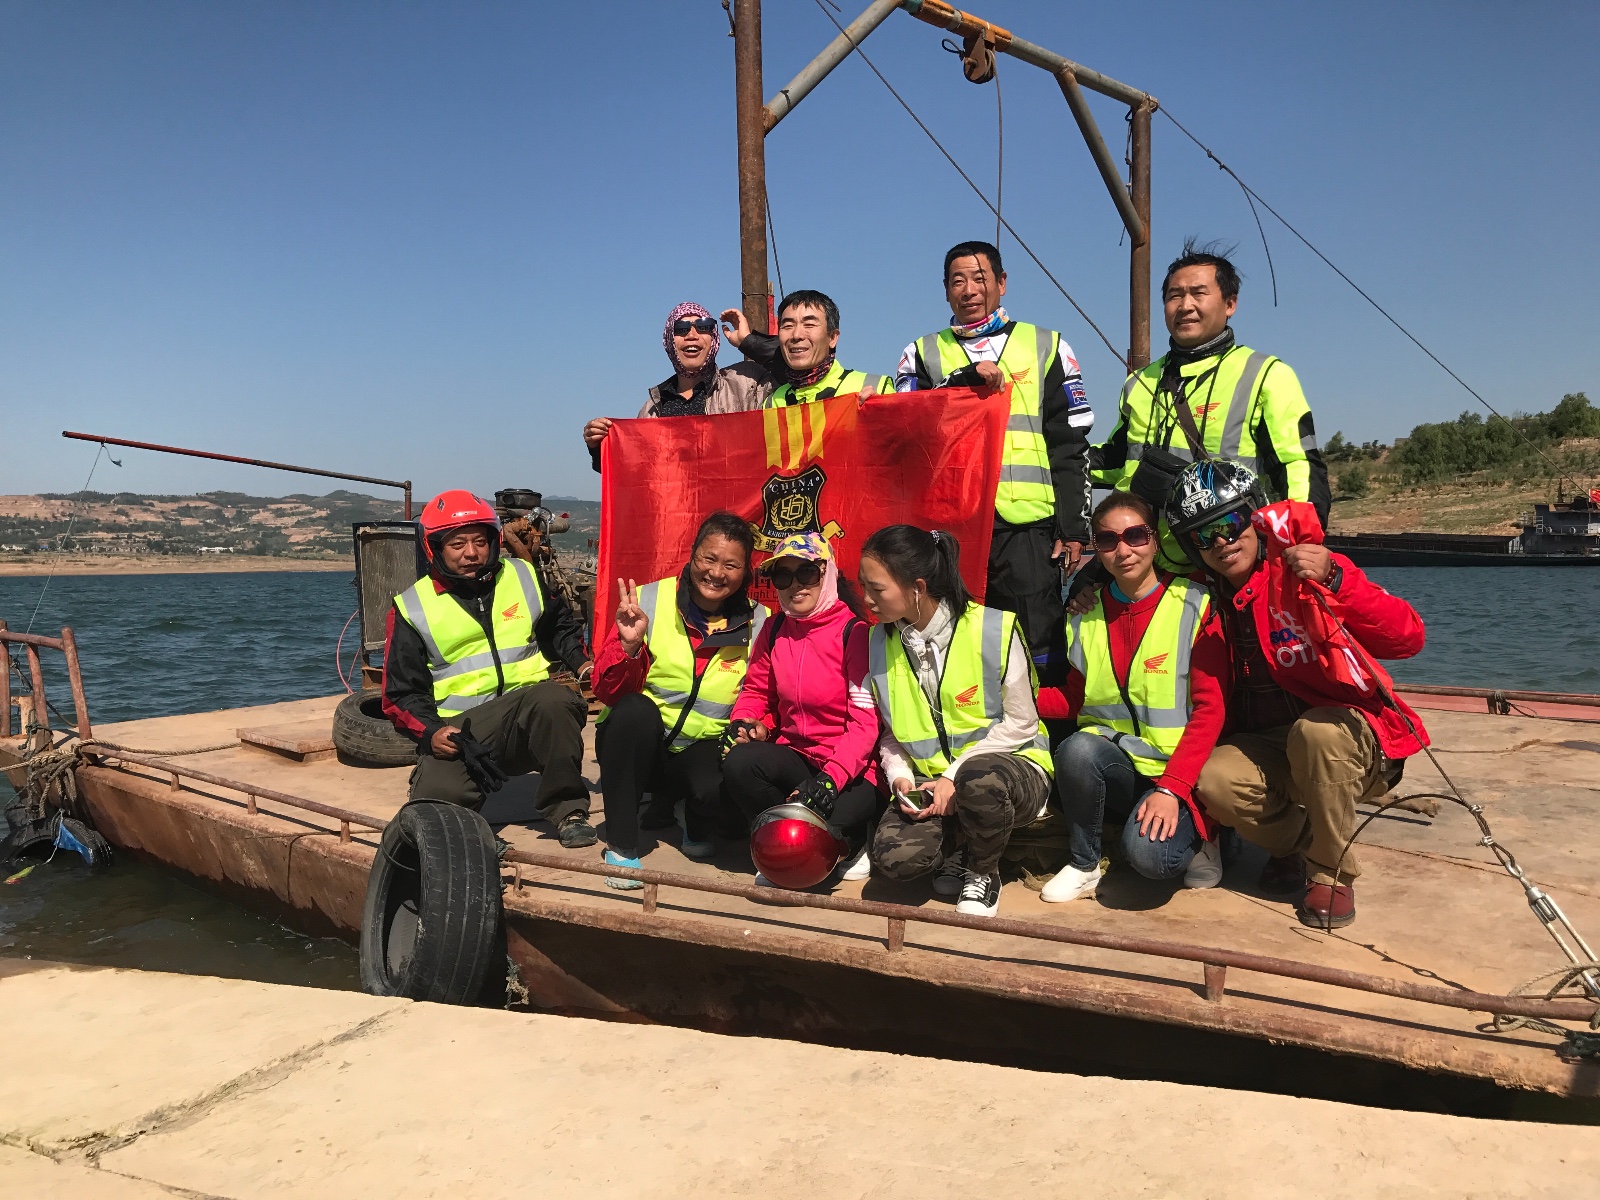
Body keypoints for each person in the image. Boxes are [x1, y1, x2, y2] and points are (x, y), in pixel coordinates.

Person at [1170, 460, 1428, 929]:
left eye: (1231, 523)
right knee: (1215, 781)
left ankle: (1331, 872)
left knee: (1315, 733)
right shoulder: (1204, 606)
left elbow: (1408, 638)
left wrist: (1336, 580)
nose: (1221, 542)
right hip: (1271, 745)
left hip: (1347, 740)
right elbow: (1208, 707)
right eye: (1203, 536)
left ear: (1255, 517)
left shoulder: (1307, 569)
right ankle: (1302, 845)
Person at [894, 240, 1094, 710]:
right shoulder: (920, 353)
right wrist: (960, 382)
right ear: (946, 290)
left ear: (1002, 283)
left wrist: (1073, 527)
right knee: (959, 638)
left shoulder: (1049, 345)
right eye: (957, 281)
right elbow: (906, 424)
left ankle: (1045, 740)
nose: (969, 289)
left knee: (1038, 639)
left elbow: (1070, 443)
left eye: (980, 278)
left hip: (1028, 526)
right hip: (953, 529)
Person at [1091, 241, 1331, 573]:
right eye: (1174, 296)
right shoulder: (1139, 382)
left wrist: (1305, 542)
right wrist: (1053, 454)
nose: (1185, 305)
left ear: (1230, 303)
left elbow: (1298, 467)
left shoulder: (1265, 375)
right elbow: (1117, 461)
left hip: (1222, 565)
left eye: (1198, 293)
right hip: (1144, 567)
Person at [1038, 492, 1230, 903]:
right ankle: (1084, 864)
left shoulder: (1195, 604)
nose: (1123, 550)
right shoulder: (1084, 615)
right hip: (1123, 766)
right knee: (1076, 749)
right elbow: (1076, 700)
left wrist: (1172, 789)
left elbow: (1210, 709)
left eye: (1136, 536)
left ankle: (1206, 835)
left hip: (1184, 772)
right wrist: (1013, 697)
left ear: (1155, 540)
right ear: (1097, 549)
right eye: (1108, 540)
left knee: (1150, 860)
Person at [858, 525, 1054, 918]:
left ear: (917, 587)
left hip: (1007, 773)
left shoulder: (993, 628)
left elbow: (1022, 723)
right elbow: (893, 732)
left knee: (979, 781)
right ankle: (960, 844)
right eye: (864, 586)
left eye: (876, 589)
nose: (867, 599)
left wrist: (954, 774)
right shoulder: (878, 641)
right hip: (931, 783)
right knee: (895, 862)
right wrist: (900, 777)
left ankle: (983, 870)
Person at [382, 490, 595, 845]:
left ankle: (569, 810)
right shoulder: (411, 607)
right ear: (434, 549)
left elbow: (559, 627)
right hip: (463, 731)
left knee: (553, 699)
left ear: (493, 542)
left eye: (480, 542)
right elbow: (400, 694)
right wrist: (432, 732)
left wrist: (582, 661)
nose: (471, 553)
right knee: (434, 807)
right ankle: (474, 835)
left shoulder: (524, 576)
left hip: (527, 718)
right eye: (457, 544)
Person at [590, 512, 768, 886]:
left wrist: (757, 727)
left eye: (731, 565)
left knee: (720, 789)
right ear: (692, 555)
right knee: (634, 711)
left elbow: (764, 696)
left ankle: (690, 812)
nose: (716, 573)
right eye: (709, 558)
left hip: (701, 751)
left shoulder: (761, 622)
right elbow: (606, 691)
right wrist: (628, 647)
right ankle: (622, 847)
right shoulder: (647, 602)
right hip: (638, 749)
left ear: (745, 572)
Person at [721, 533, 882, 885]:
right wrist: (745, 722)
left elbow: (865, 724)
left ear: (827, 574)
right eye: (783, 576)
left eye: (806, 573)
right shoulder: (775, 628)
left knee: (828, 829)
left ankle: (852, 840)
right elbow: (755, 691)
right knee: (739, 763)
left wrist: (831, 780)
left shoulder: (855, 633)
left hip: (851, 770)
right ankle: (783, 836)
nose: (795, 585)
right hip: (796, 756)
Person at [583, 301, 775, 471]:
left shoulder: (747, 382)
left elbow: (792, 369)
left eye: (703, 326)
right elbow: (634, 474)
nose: (692, 335)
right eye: (681, 329)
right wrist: (598, 447)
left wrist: (749, 342)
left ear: (714, 338)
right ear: (669, 340)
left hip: (733, 502)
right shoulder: (651, 410)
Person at [759, 290, 892, 407]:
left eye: (809, 325)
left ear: (832, 337)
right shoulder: (772, 403)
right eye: (788, 326)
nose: (796, 335)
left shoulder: (876, 389)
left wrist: (881, 416)